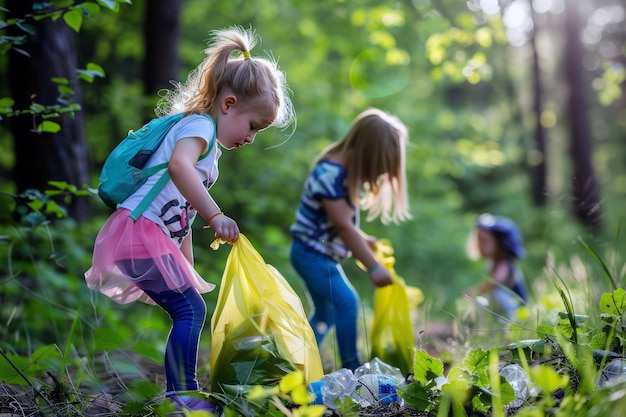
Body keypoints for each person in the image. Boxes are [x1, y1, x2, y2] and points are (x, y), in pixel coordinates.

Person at [85, 26, 293, 413]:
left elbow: (180, 214)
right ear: (228, 104)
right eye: (252, 126)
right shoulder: (199, 126)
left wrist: (186, 263)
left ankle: (183, 394)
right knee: (191, 311)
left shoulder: (210, 150)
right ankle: (183, 396)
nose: (251, 138)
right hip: (137, 232)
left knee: (190, 306)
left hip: (149, 235)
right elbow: (179, 168)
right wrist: (216, 214)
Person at [289, 108, 411, 371]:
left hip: (314, 254)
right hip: (311, 256)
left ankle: (294, 361)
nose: (376, 177)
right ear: (367, 155)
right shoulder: (330, 174)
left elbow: (337, 223)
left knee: (327, 313)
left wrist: (362, 239)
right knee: (347, 302)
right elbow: (343, 226)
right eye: (377, 170)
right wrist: (373, 266)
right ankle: (352, 367)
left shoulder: (339, 172)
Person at [465, 213, 529, 319]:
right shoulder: (492, 263)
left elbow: (495, 282)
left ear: (500, 244)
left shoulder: (504, 263)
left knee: (496, 293)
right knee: (483, 300)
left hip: (516, 310)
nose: (480, 246)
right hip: (502, 309)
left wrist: (475, 291)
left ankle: (508, 327)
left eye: (484, 241)